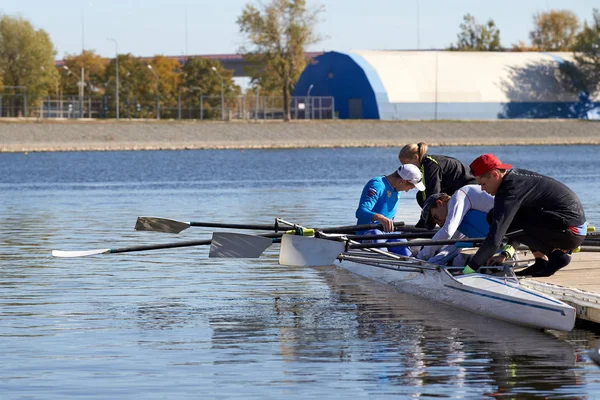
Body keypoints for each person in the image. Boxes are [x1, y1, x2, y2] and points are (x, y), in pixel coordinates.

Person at [465, 154, 588, 277]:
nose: (482, 189)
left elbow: (494, 240)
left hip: (570, 231)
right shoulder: (514, 179)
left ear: (495, 175)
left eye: (483, 184)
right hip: (570, 228)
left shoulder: (510, 190)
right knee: (498, 216)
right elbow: (514, 226)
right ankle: (544, 261)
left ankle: (556, 256)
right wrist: (504, 255)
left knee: (496, 219)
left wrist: (468, 270)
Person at [399, 142, 476, 226]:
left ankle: (437, 223)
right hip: (454, 188)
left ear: (415, 157)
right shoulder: (425, 164)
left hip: (470, 188)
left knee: (427, 199)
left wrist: (420, 227)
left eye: (406, 164)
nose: (406, 168)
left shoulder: (431, 166)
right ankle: (436, 221)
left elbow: (432, 195)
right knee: (420, 196)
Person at [355, 164, 425, 256]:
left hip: (388, 233)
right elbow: (360, 212)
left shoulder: (397, 189)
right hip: (369, 232)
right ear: (403, 181)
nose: (407, 191)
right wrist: (379, 217)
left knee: (406, 252)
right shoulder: (377, 185)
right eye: (410, 187)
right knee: (377, 235)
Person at [416, 184, 494, 265]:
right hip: (499, 234)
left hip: (502, 227)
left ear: (440, 203)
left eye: (435, 217)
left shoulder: (458, 197)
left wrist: (421, 256)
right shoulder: (461, 216)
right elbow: (454, 248)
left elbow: (447, 232)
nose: (438, 222)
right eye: (435, 222)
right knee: (457, 242)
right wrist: (430, 263)